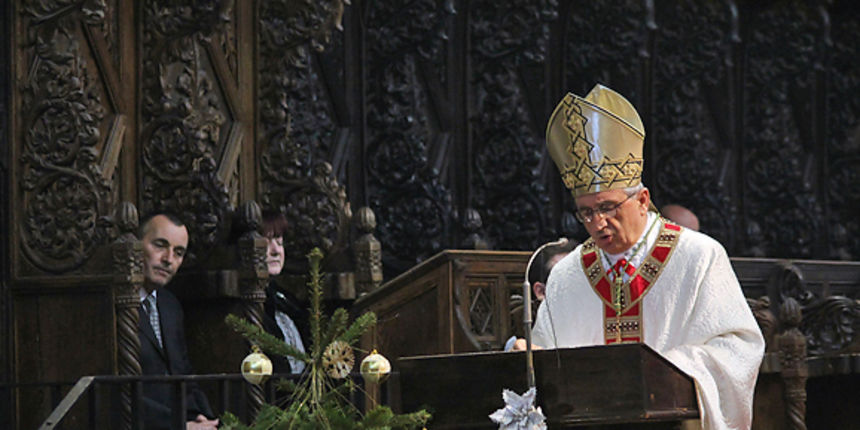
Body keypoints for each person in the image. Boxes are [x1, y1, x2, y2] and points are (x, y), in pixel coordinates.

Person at [516, 84, 765, 430]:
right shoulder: (567, 274)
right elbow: (546, 356)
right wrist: (530, 356)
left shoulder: (699, 256)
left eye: (607, 207)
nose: (598, 222)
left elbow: (739, 348)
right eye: (585, 213)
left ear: (643, 199)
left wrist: (666, 369)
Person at [138, 213, 219, 429]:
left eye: (179, 252)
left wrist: (205, 418)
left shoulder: (169, 305)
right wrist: (181, 426)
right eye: (160, 245)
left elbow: (182, 373)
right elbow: (118, 392)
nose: (168, 259)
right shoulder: (112, 303)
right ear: (135, 246)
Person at [259, 210, 309, 374]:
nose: (275, 251)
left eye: (279, 243)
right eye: (267, 243)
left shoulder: (286, 300)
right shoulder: (248, 305)